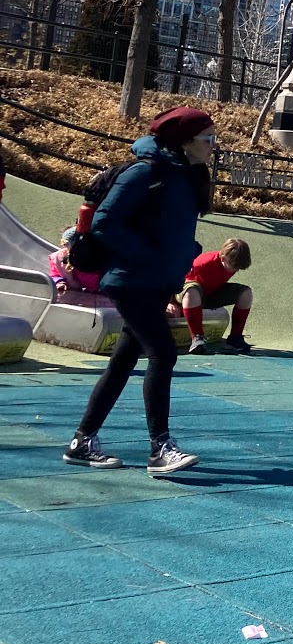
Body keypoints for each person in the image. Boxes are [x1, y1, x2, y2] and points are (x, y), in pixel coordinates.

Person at [65, 106, 216, 475]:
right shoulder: (145, 172)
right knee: (163, 353)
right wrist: (151, 256)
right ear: (184, 142)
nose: (213, 146)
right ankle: (160, 448)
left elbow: (171, 229)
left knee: (122, 362)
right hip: (131, 280)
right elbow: (104, 223)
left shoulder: (185, 175)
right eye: (208, 139)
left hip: (154, 281)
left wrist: (185, 253)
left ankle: (82, 441)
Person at [180, 237, 254, 355]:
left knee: (246, 293)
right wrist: (170, 302)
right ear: (223, 258)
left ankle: (235, 338)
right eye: (234, 267)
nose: (235, 270)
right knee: (192, 290)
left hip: (209, 293)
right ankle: (197, 338)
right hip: (183, 295)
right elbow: (174, 280)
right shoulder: (202, 264)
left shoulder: (231, 262)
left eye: (238, 268)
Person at [48, 228, 102, 296]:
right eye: (63, 243)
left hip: (94, 293)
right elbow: (55, 274)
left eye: (66, 244)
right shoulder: (60, 258)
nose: (63, 246)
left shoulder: (94, 259)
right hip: (72, 293)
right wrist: (60, 282)